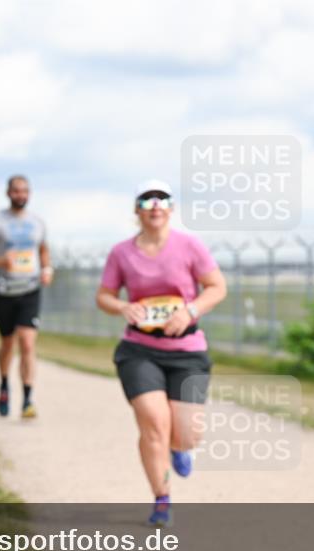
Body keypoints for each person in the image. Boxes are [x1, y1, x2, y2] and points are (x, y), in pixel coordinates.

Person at [96, 180, 226, 526]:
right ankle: (162, 499)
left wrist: (191, 311)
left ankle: (181, 447)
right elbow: (104, 295)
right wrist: (123, 306)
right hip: (139, 350)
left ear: (170, 209)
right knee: (154, 423)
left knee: (186, 433)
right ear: (137, 210)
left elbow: (217, 287)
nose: (155, 205)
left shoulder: (189, 246)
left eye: (162, 199)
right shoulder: (121, 252)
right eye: (147, 199)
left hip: (187, 351)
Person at [0, 175, 53, 419]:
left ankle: (28, 398)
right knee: (8, 343)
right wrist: (1, 261)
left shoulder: (37, 222)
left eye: (25, 191)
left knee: (28, 343)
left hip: (29, 288)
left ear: (29, 194)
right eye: (16, 191)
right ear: (8, 193)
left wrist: (47, 269)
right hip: (2, 290)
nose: (21, 195)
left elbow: (43, 250)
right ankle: (4, 384)